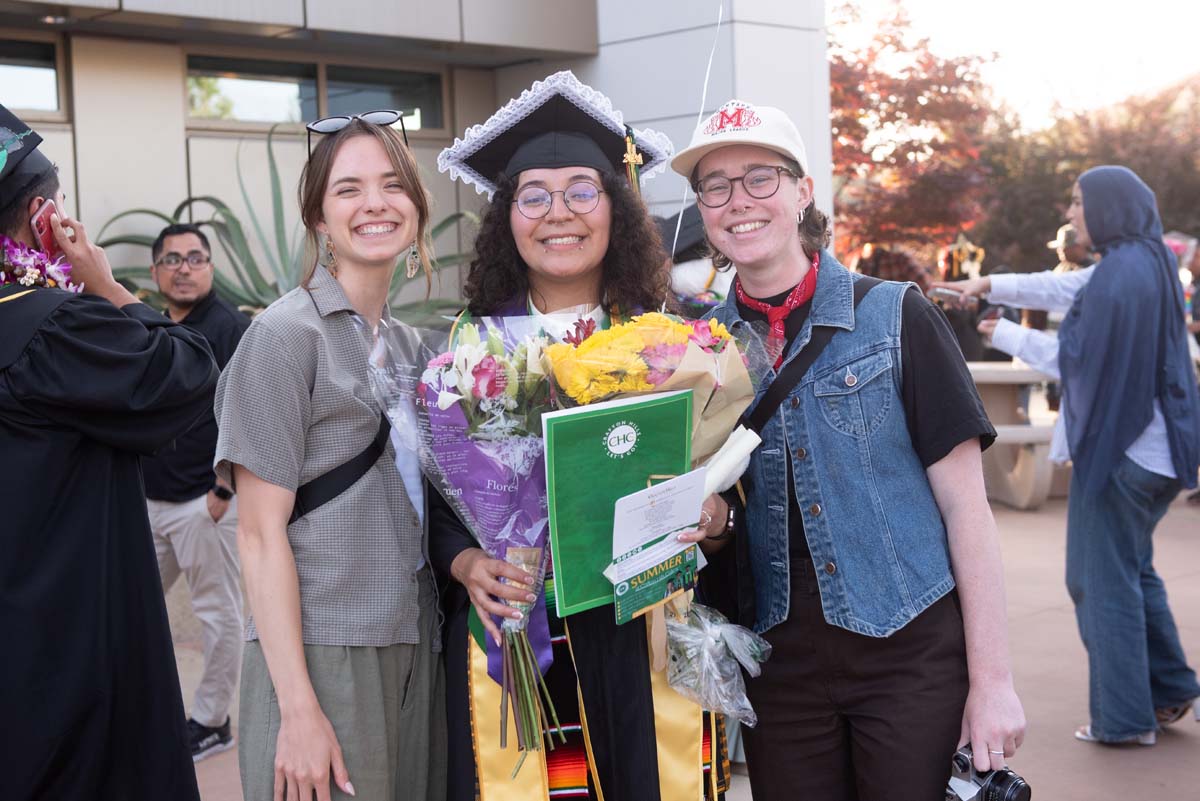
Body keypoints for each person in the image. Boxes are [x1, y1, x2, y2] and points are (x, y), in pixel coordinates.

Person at [669, 99, 1026, 801]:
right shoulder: (695, 350)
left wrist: (994, 682)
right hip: (778, 666)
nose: (737, 200)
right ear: (703, 211)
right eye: (715, 185)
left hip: (911, 657)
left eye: (760, 178)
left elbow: (967, 510)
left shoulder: (897, 315)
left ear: (803, 192)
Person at [435, 71, 728, 801]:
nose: (557, 213)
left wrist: (718, 519)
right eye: (534, 194)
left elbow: (724, 475)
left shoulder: (667, 336)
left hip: (645, 628)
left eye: (581, 192)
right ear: (508, 214)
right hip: (520, 632)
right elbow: (438, 494)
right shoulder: (473, 343)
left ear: (615, 207)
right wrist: (465, 558)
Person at [213, 113, 445, 801]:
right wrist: (300, 709)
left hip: (415, 647)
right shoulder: (284, 338)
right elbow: (256, 535)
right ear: (318, 214)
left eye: (392, 184)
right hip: (323, 655)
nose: (374, 203)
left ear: (417, 206)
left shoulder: (414, 348)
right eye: (348, 189)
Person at [934, 165, 1200, 745]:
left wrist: (998, 330)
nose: (1073, 214)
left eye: (1080, 203)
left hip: (1123, 456)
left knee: (1097, 581)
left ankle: (1126, 719)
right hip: (1159, 453)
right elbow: (1062, 289)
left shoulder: (1119, 275)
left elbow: (1073, 360)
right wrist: (988, 286)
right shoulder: (1146, 260)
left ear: (1109, 208)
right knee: (1133, 571)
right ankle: (1173, 688)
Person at [0, 105, 213, 799]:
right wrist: (103, 281)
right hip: (66, 637)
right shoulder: (52, 326)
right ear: (42, 219)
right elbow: (183, 372)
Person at [141, 222, 249, 760]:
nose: (184, 268)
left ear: (210, 267)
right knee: (133, 606)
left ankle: (211, 721)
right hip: (150, 499)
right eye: (173, 259)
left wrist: (225, 488)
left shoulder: (228, 326)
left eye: (196, 258)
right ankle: (140, 710)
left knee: (217, 613)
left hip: (203, 503)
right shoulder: (155, 324)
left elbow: (248, 411)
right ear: (156, 270)